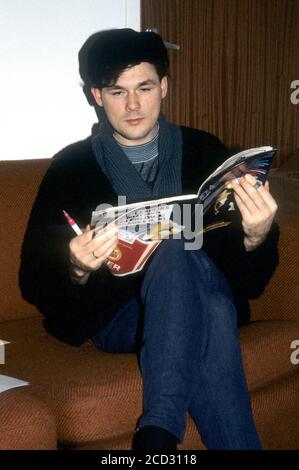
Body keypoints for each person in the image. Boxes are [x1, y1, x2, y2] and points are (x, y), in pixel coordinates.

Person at [19, 29, 279, 450]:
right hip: (122, 316)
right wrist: (77, 267)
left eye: (144, 87)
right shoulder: (71, 168)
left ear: (164, 86)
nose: (134, 104)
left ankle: (158, 435)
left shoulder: (203, 150)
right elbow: (33, 280)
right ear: (97, 96)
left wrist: (257, 235)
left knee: (193, 276)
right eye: (117, 91)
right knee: (205, 301)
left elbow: (252, 279)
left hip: (206, 290)